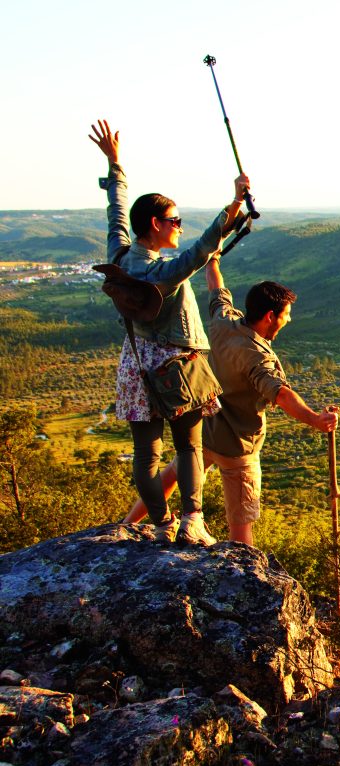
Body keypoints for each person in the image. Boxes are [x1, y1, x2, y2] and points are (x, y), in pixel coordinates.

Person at [90, 119, 248, 545]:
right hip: (178, 367)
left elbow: (117, 212)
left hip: (137, 364)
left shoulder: (120, 255)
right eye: (174, 219)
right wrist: (233, 206)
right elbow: (199, 253)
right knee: (189, 447)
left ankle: (160, 526)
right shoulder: (161, 272)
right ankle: (191, 521)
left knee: (146, 454)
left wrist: (115, 165)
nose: (178, 225)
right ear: (156, 225)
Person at [124, 255, 338, 546]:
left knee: (171, 476)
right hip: (239, 448)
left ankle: (126, 527)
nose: (289, 319)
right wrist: (315, 419)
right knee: (241, 527)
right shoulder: (258, 357)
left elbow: (216, 291)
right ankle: (245, 578)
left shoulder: (224, 323)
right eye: (286, 314)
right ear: (269, 317)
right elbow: (281, 394)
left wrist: (213, 261)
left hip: (205, 432)